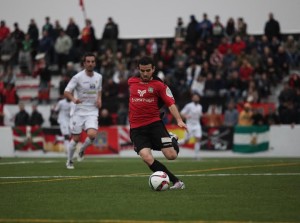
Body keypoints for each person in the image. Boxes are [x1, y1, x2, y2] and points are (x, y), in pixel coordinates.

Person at [128, 56, 187, 190]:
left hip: (155, 125)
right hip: (136, 129)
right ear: (138, 69)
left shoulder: (159, 85)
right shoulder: (131, 82)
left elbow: (170, 104)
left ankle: (172, 139)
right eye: (142, 70)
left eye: (148, 70)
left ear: (153, 69)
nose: (145, 73)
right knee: (147, 157)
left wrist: (179, 120)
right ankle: (176, 182)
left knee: (171, 156)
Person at [64, 52, 102, 169]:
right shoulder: (77, 77)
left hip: (92, 110)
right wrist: (74, 99)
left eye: (92, 62)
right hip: (78, 111)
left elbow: (99, 90)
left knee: (92, 134)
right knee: (75, 138)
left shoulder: (99, 77)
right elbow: (66, 92)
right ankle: (69, 161)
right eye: (88, 62)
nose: (90, 64)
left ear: (95, 63)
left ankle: (82, 149)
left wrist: (99, 99)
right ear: (84, 63)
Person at [179, 93, 203, 160]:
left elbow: (200, 115)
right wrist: (186, 116)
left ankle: (196, 156)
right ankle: (176, 143)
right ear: (192, 98)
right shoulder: (189, 106)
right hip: (189, 125)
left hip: (197, 125)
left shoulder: (200, 106)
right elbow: (182, 113)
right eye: (194, 97)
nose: (196, 98)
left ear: (199, 98)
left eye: (197, 97)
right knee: (186, 141)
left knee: (198, 138)